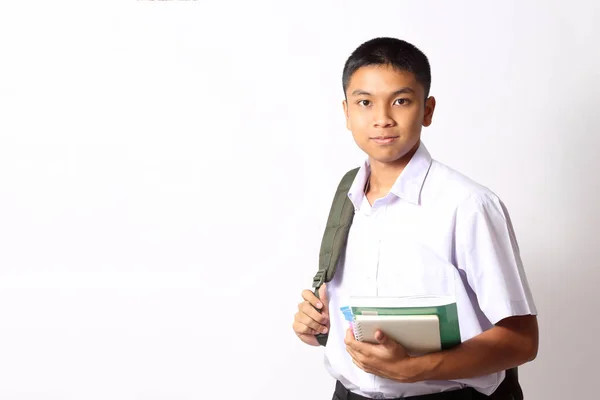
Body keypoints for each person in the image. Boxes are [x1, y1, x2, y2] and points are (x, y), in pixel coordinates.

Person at [292, 37, 539, 400]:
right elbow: (349, 319)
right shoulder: (345, 199)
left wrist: (415, 369)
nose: (382, 119)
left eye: (401, 101)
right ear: (346, 112)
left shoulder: (468, 205)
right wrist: (314, 327)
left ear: (427, 109)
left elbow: (522, 341)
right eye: (364, 102)